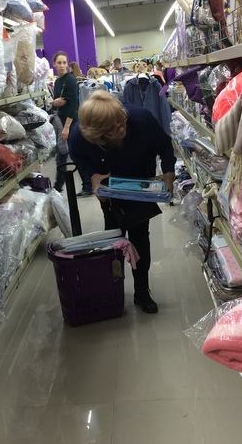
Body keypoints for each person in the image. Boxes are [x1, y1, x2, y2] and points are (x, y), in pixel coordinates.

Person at [69, 91, 175, 314]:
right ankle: (112, 289)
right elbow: (77, 155)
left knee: (140, 236)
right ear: (97, 134)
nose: (121, 127)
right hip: (110, 188)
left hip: (140, 185)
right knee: (113, 237)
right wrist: (92, 176)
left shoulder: (141, 119)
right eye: (112, 127)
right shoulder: (79, 135)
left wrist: (168, 172)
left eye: (121, 119)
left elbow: (165, 145)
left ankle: (142, 290)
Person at [51, 51, 93, 196]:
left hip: (70, 123)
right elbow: (58, 101)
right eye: (59, 63)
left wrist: (67, 127)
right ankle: (58, 187)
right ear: (54, 64)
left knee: (74, 156)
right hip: (61, 122)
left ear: (67, 64)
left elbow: (73, 104)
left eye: (64, 62)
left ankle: (86, 186)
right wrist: (54, 102)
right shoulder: (58, 81)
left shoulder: (69, 80)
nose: (62, 65)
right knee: (63, 156)